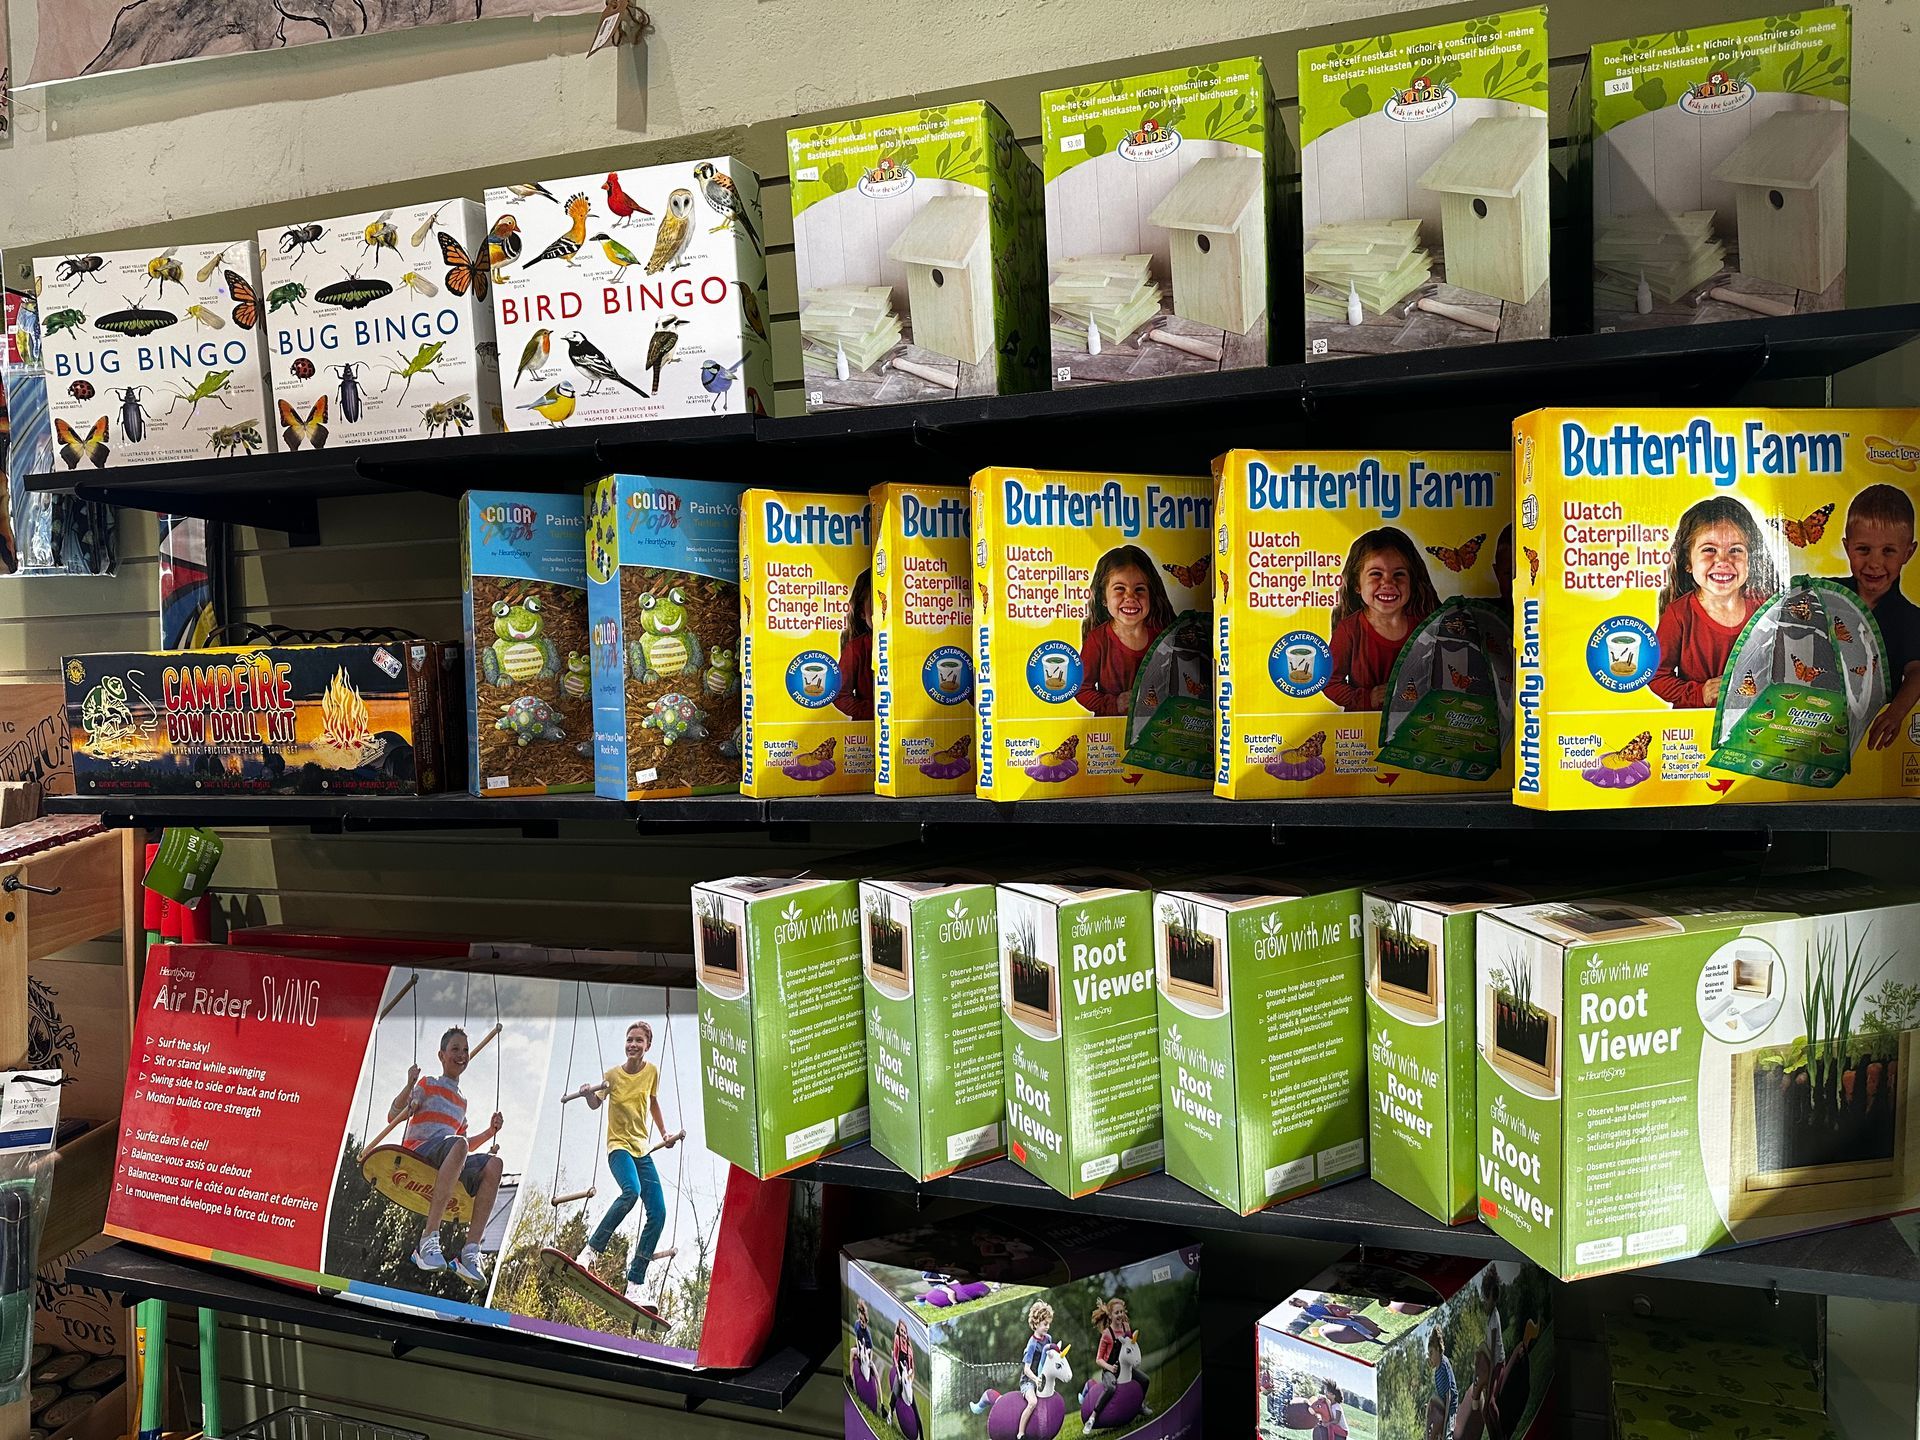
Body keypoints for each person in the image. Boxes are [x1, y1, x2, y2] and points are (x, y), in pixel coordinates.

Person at [572, 1020, 684, 1308]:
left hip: (641, 1151)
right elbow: (596, 1104)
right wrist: (587, 1094)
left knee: (658, 1212)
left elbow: (654, 1102)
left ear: (648, 1045)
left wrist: (664, 1133)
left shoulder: (652, 1072)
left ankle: (635, 1283)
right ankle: (590, 1251)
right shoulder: (611, 1076)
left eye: (639, 1040)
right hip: (618, 1148)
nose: (633, 1044)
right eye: (629, 1040)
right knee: (630, 1192)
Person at [392, 1025, 503, 1287]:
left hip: (448, 1153)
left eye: (465, 1050)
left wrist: (490, 1132)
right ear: (442, 1055)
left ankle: (470, 1252)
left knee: (494, 1165)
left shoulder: (461, 1102)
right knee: (458, 1144)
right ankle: (428, 1239)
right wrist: (410, 1087)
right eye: (455, 1049)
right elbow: (392, 1115)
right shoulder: (427, 1084)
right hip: (421, 1151)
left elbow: (465, 1147)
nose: (461, 1054)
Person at [1649, 497, 1774, 708]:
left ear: (1751, 560)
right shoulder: (1678, 615)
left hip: (1754, 723)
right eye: (1709, 550)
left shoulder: (1766, 609)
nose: (1723, 561)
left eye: (1735, 550)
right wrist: (1701, 693)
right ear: (1687, 562)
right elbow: (1656, 676)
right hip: (1698, 726)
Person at [1832, 484, 1920, 749]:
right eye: (1863, 549)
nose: (1874, 563)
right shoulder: (1827, 594)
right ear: (1847, 548)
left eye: (1888, 551)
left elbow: (1917, 671)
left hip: (1876, 733)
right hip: (1820, 721)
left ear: (1909, 552)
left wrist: (1895, 714)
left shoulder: (1909, 618)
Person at [1326, 528, 1439, 711]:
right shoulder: (1348, 630)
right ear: (1357, 584)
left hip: (1413, 726)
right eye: (1376, 574)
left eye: (1399, 574)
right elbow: (1329, 682)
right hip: (1365, 727)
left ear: (1412, 582)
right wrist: (1367, 698)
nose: (1388, 583)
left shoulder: (1426, 627)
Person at [1077, 545, 1175, 715]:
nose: (1130, 597)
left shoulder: (1163, 637)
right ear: (1103, 598)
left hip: (1153, 729)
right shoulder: (1097, 640)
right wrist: (1114, 704)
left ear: (1151, 596)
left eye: (1139, 589)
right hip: (1111, 729)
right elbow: (1080, 689)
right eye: (1120, 588)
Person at [1089, 1295, 1152, 1424]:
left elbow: (1129, 1345)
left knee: (1145, 1380)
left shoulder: (1126, 1327)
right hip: (1110, 1370)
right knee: (1111, 1388)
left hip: (1124, 1368)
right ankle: (1094, 1416)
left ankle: (1140, 1405)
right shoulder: (1107, 1334)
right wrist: (1110, 1368)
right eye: (1117, 1312)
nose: (1120, 1315)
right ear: (1111, 1315)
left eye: (1122, 1312)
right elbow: (1098, 1359)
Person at [834, 569, 874, 720]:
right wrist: (874, 711)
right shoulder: (856, 648)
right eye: (876, 603)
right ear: (862, 613)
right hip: (867, 726)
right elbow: (840, 695)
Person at [1016, 1300, 1057, 1439]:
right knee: (1033, 1402)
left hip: (1041, 1378)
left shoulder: (1048, 1338)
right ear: (1036, 1323)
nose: (1048, 1327)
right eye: (1045, 1324)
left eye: (1049, 1323)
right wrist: (1036, 1380)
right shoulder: (1032, 1344)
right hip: (1028, 1380)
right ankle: (1020, 1434)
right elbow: (1026, 1369)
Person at [1429, 1328, 1459, 1438]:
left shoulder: (1444, 1364)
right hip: (1443, 1406)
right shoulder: (1436, 1372)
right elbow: (1439, 1395)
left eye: (1431, 1353)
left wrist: (1446, 1419)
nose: (1430, 1357)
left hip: (1450, 1407)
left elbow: (1449, 1395)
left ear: (1437, 1350)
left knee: (1447, 1435)